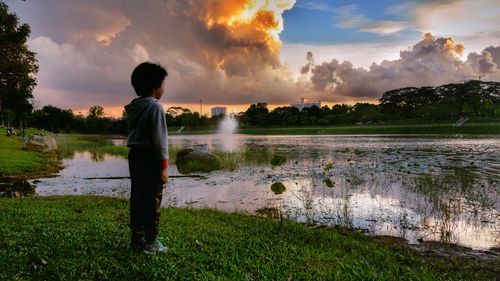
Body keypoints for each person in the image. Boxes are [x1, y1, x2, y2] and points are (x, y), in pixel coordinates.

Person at [125, 62, 169, 253]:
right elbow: (160, 140)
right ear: (155, 86)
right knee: (153, 200)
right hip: (151, 157)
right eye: (163, 85)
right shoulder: (155, 108)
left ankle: (137, 239)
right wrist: (164, 167)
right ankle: (151, 242)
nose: (163, 89)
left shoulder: (134, 107)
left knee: (138, 197)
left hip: (135, 156)